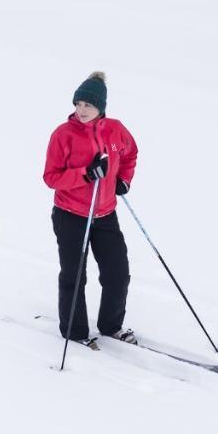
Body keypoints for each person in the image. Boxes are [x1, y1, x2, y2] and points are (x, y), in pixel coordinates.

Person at [43, 71, 139, 346]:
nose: (81, 110)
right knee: (75, 276)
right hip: (70, 214)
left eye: (88, 105)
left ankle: (111, 326)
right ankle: (75, 333)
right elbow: (51, 177)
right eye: (78, 104)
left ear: (101, 107)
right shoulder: (63, 135)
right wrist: (85, 173)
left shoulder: (115, 129)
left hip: (105, 214)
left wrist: (123, 179)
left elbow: (130, 153)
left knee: (117, 273)